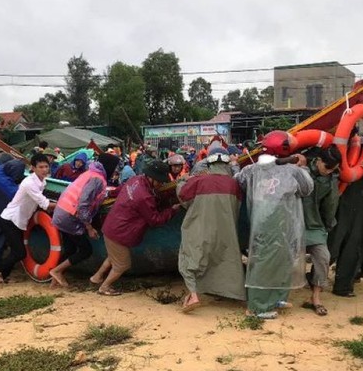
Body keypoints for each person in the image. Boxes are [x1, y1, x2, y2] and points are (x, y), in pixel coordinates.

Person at [235, 131, 314, 320]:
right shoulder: (292, 170)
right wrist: (303, 167)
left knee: (283, 259)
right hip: (274, 223)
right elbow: (307, 188)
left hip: (272, 222)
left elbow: (239, 181)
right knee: (264, 263)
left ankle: (277, 296)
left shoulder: (250, 170)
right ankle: (257, 306)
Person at [91, 161, 178, 296]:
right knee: (122, 264)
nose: (161, 184)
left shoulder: (135, 179)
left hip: (111, 226)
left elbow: (118, 190)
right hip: (119, 232)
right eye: (160, 181)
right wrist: (171, 210)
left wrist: (108, 195)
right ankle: (104, 287)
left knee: (113, 257)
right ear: (152, 178)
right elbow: (155, 220)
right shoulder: (144, 197)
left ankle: (96, 277)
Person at [177, 147, 245, 312]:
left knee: (190, 257)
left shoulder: (198, 181)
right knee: (226, 260)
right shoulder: (234, 184)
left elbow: (183, 198)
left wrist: (181, 181)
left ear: (209, 163)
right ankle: (234, 293)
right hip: (226, 231)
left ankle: (193, 295)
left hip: (199, 227)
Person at [48, 159, 111, 288]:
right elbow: (83, 204)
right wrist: (89, 227)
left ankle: (54, 280)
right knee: (86, 250)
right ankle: (56, 271)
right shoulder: (98, 179)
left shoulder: (90, 173)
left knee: (70, 249)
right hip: (69, 216)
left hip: (61, 212)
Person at [0, 154, 56, 283]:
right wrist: (65, 204)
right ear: (33, 168)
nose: (44, 169)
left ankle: (3, 276)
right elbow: (44, 204)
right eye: (40, 167)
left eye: (46, 166)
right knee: (19, 252)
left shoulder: (42, 182)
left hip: (20, 220)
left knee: (16, 250)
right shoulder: (29, 183)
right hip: (10, 219)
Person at [328, 146, 363, 298]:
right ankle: (315, 278)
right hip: (339, 209)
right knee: (330, 247)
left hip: (360, 211)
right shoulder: (334, 156)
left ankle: (343, 286)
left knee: (353, 249)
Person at [301, 145, 341, 316]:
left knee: (323, 257)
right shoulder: (300, 170)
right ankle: (280, 294)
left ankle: (316, 297)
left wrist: (327, 225)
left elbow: (331, 205)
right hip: (294, 225)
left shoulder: (331, 179)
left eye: (333, 169)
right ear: (317, 161)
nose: (328, 171)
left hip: (316, 225)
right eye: (327, 167)